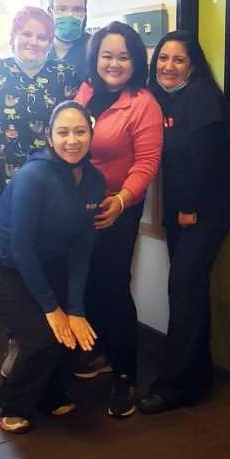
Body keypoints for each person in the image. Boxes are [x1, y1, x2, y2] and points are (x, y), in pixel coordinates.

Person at [0, 102, 106, 433]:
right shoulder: (33, 176)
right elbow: (20, 247)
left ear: (91, 134)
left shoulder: (95, 181)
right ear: (50, 137)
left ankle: (49, 393)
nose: (72, 140)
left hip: (37, 260)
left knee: (71, 329)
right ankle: (10, 402)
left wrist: (75, 308)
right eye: (63, 132)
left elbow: (83, 248)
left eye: (80, 131)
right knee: (42, 334)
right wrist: (52, 307)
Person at [138, 31, 230, 414]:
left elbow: (205, 158)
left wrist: (189, 208)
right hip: (182, 207)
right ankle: (198, 376)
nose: (168, 65)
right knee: (189, 289)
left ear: (192, 65)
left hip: (204, 207)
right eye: (163, 58)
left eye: (178, 59)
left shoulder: (200, 97)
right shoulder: (162, 97)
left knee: (183, 288)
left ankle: (175, 385)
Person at [76, 21, 163, 418]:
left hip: (118, 209)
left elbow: (146, 164)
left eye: (123, 56)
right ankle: (101, 356)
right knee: (87, 283)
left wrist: (122, 201)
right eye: (106, 55)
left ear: (135, 62)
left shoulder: (143, 103)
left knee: (112, 287)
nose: (114, 63)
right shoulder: (87, 92)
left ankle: (126, 375)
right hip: (80, 207)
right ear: (95, 58)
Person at [0, 5, 78, 198]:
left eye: (42, 37)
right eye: (26, 34)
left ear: (50, 43)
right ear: (13, 36)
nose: (33, 42)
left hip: (52, 181)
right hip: (2, 181)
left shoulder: (64, 73)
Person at [48, 0, 91, 84]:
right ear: (50, 12)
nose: (70, 15)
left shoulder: (96, 48)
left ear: (85, 13)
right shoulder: (38, 48)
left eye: (77, 10)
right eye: (62, 9)